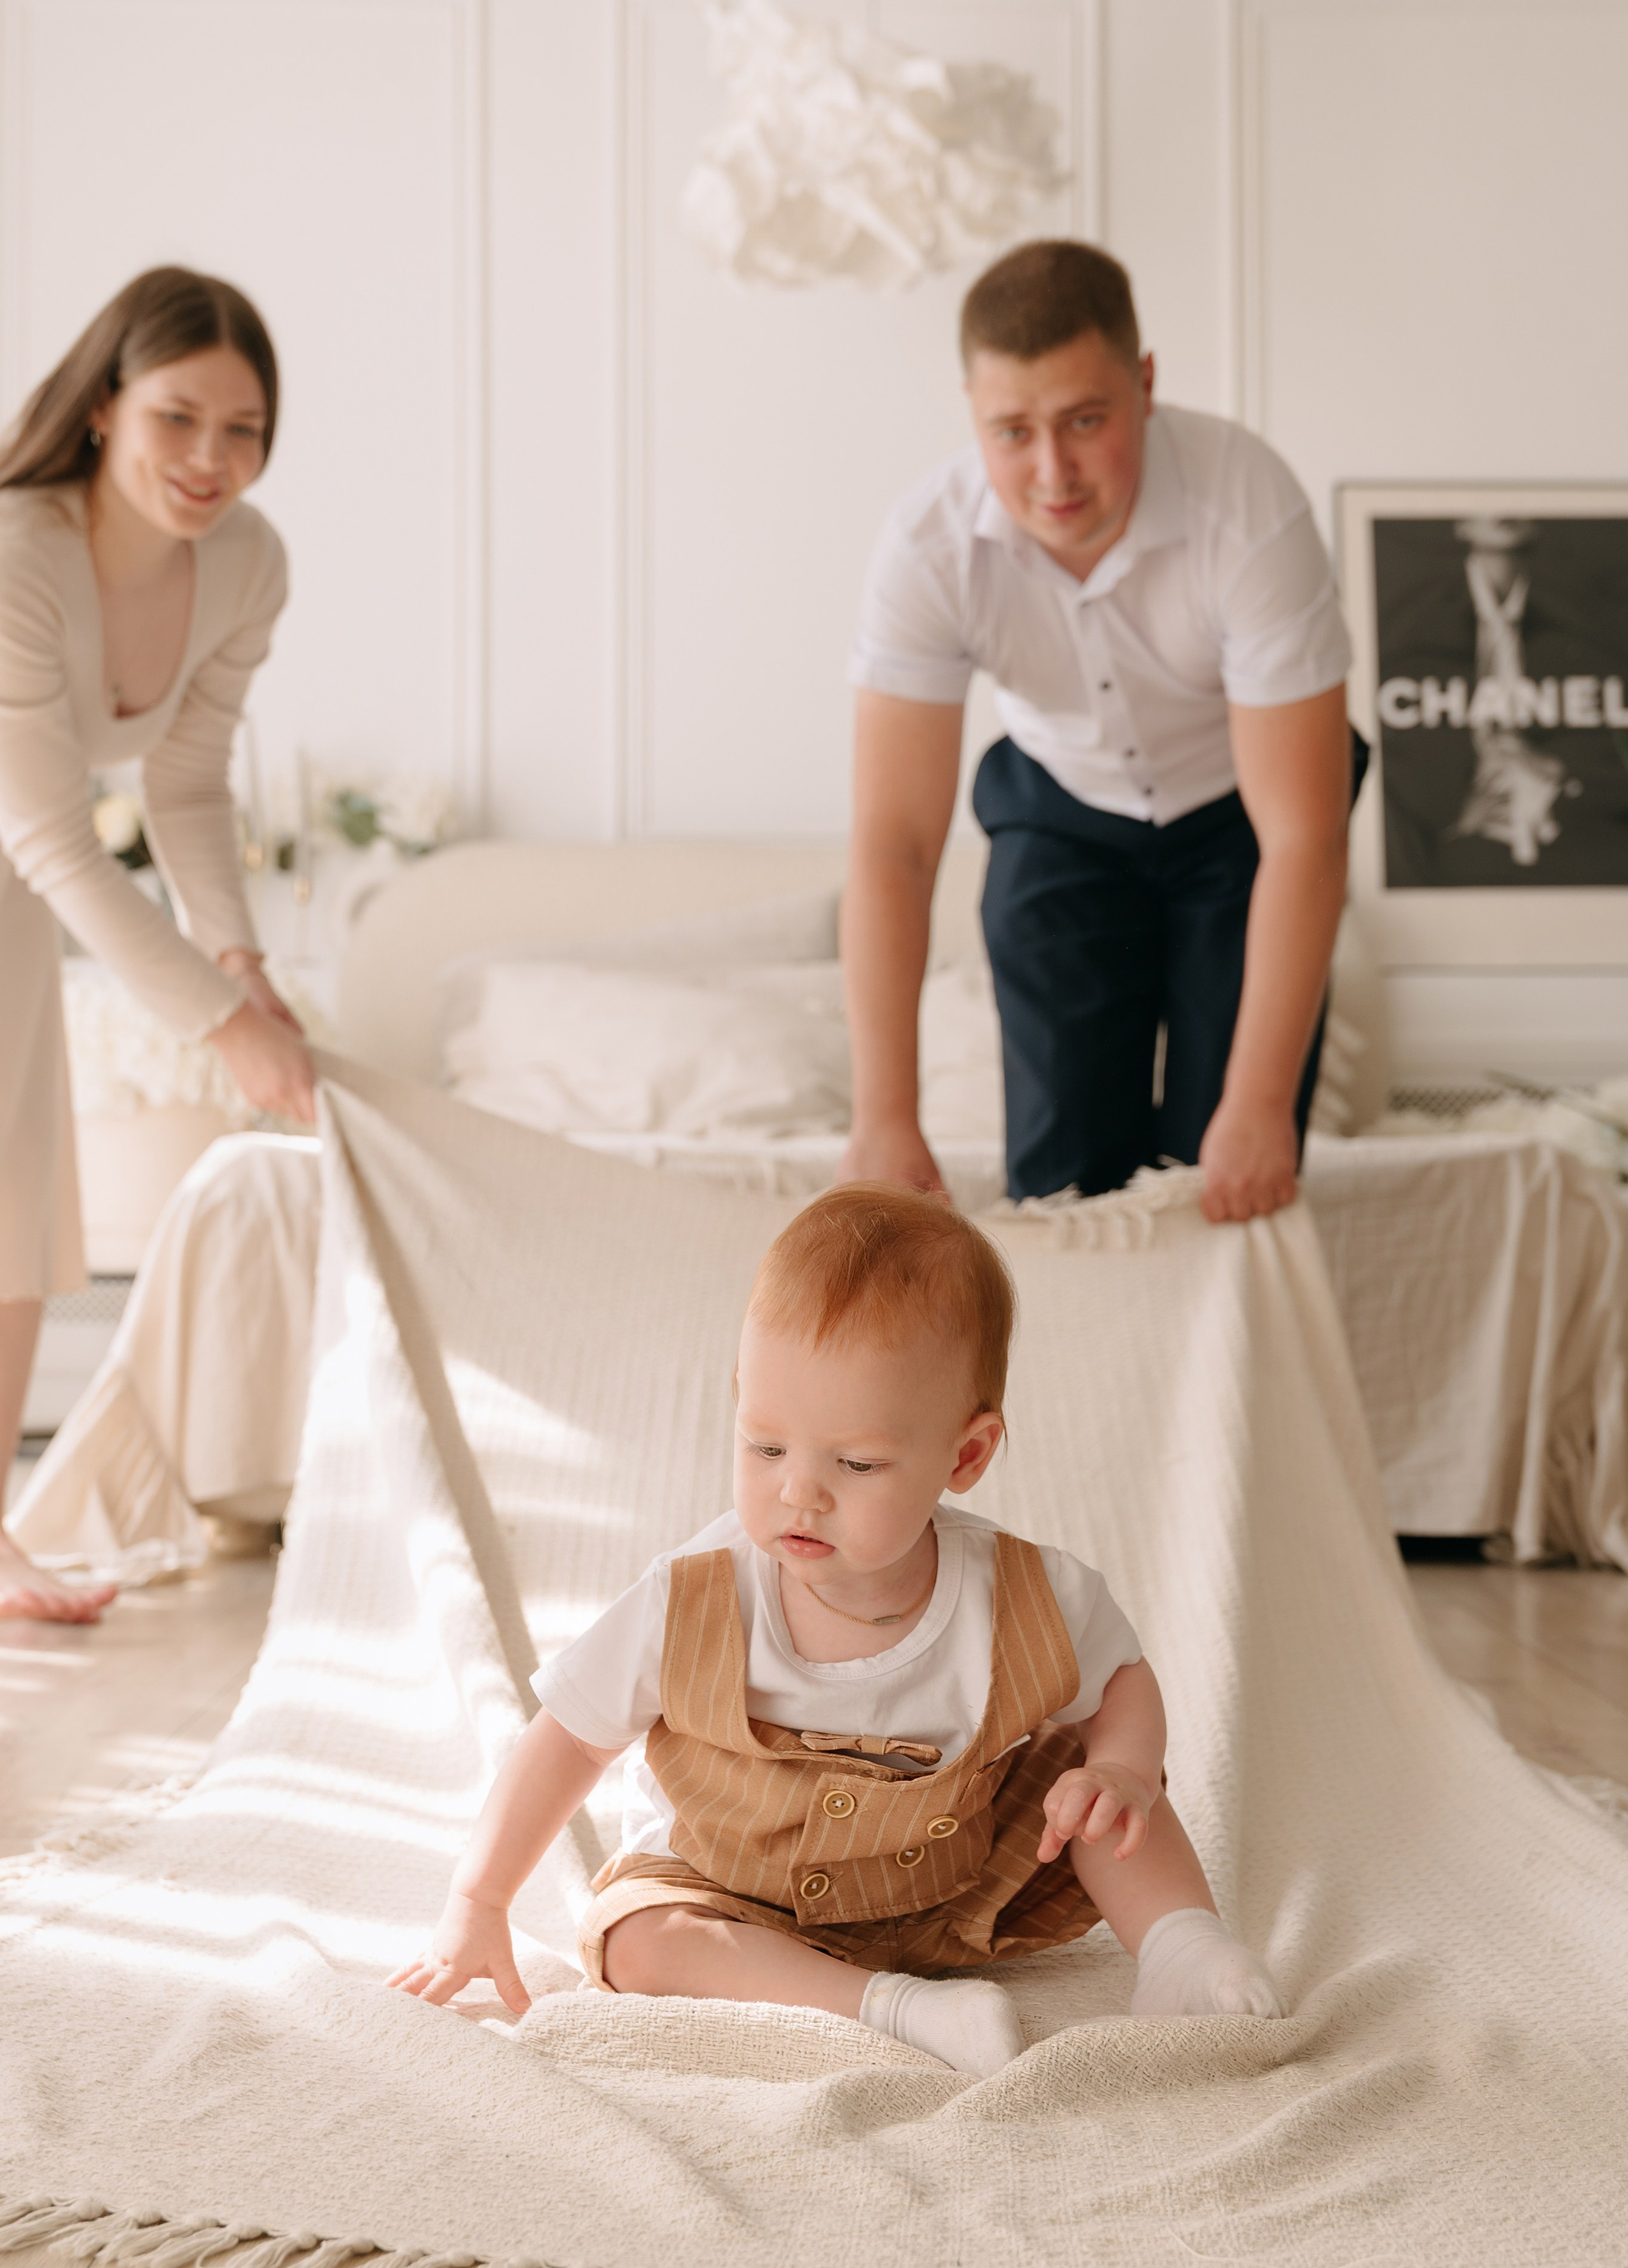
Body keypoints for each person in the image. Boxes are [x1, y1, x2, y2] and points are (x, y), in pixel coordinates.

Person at [390, 1186, 1282, 2076]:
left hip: (952, 1885)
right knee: (633, 1940)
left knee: (1093, 1794)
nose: (798, 1492)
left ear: (966, 1455)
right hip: (739, 1893)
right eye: (765, 1446)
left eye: (856, 1463)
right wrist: (479, 1900)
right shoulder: (693, 1599)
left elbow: (1122, 1680)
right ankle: (893, 2009)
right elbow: (568, 1741)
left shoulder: (1022, 1595)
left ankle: (1182, 1946)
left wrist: (1122, 1768)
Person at [839, 239, 1365, 1222]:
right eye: (1012, 431)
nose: (1054, 473)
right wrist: (884, 1116)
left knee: (1227, 1177)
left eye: (1086, 420)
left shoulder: (1248, 506)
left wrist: (1259, 1107)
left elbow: (1304, 835)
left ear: (1146, 384)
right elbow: (894, 846)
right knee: (1063, 1188)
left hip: (1241, 824)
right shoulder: (927, 547)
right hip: (1063, 812)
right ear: (972, 411)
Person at [0, 266, 315, 1623]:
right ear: (103, 407)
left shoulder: (248, 564)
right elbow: (58, 834)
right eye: (177, 418)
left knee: (13, 1200)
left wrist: (238, 963)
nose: (209, 459)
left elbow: (185, 785)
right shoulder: (18, 550)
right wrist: (223, 1029)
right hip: (31, 852)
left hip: (18, 885)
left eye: (243, 430)